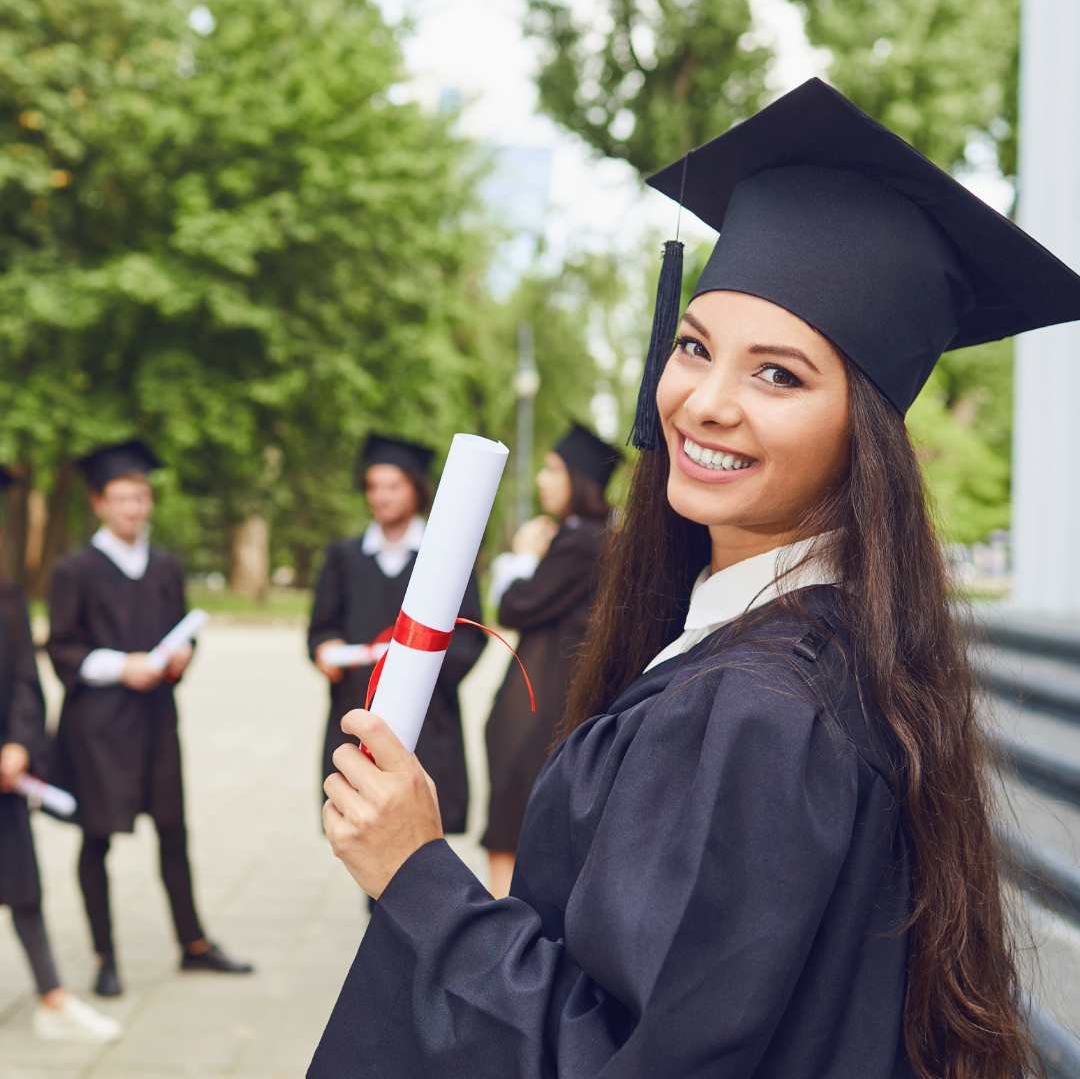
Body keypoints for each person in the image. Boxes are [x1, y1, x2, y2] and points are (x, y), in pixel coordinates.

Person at [310, 79, 1080, 1078]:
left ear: (867, 438)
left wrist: (415, 873)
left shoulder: (764, 714)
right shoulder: (824, 654)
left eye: (779, 374)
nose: (705, 403)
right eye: (693, 348)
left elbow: (634, 1060)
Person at [47, 440, 253, 998]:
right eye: (121, 498)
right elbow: (62, 648)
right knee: (97, 838)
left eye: (141, 498)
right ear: (99, 503)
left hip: (157, 718)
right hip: (99, 724)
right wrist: (121, 666)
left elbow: (185, 630)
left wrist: (181, 659)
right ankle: (104, 954)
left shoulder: (164, 567)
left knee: (173, 830)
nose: (134, 509)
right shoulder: (75, 570)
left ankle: (194, 944)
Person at [307, 433, 485, 837]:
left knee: (419, 835)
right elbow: (321, 628)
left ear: (415, 490)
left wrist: (418, 670)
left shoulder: (446, 559)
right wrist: (324, 650)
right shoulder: (344, 558)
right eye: (373, 486)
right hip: (357, 709)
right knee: (361, 825)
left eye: (392, 486)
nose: (380, 497)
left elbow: (471, 635)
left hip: (428, 719)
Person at [0, 466, 121, 1042]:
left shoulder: (6, 595)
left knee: (23, 887)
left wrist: (22, 742)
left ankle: (52, 996)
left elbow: (26, 679)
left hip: (4, 773)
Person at [482, 423, 620, 897]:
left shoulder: (582, 539)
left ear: (579, 479)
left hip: (539, 701)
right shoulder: (599, 534)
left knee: (509, 819)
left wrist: (523, 556)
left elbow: (514, 606)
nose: (542, 479)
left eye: (553, 469)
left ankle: (495, 936)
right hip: (551, 696)